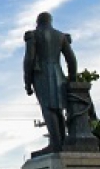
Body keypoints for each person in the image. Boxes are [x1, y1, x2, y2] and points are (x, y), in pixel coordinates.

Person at [23, 11, 78, 153]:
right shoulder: (61, 36)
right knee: (58, 108)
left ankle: (56, 143)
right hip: (58, 73)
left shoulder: (34, 35)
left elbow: (29, 59)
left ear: (38, 22)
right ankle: (62, 140)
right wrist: (73, 79)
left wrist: (27, 82)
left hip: (41, 73)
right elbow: (71, 60)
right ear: (51, 21)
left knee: (47, 108)